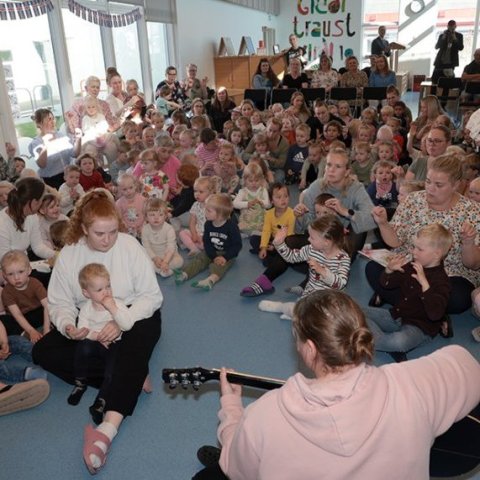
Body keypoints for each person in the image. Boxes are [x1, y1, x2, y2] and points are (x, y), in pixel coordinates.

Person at [194, 289, 480, 480]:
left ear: (308, 349)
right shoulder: (410, 384)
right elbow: (466, 365)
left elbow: (234, 466)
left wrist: (231, 408)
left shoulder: (265, 416)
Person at [32, 190, 163, 475]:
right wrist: (69, 326)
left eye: (113, 232)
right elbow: (60, 302)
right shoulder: (69, 253)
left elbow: (151, 297)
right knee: (42, 351)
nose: (108, 239)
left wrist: (120, 320)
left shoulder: (129, 246)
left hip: (130, 314)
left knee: (135, 339)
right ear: (83, 229)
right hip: (90, 320)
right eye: (100, 233)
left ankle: (106, 430)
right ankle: (131, 372)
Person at [368, 154, 480, 314]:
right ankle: (428, 307)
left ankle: (401, 300)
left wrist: (468, 243)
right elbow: (395, 242)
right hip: (410, 264)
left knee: (459, 298)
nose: (430, 188)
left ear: (456, 185)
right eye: (428, 181)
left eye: (439, 185)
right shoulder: (412, 200)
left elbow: (473, 265)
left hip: (449, 274)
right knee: (372, 268)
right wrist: (383, 224)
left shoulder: (473, 212)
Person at [364, 224, 453, 362]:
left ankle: (380, 341)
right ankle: (385, 343)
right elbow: (386, 285)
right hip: (398, 315)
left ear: (437, 254)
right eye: (413, 247)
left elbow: (435, 314)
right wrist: (389, 270)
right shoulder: (412, 265)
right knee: (356, 311)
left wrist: (425, 285)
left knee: (399, 342)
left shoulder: (442, 281)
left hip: (420, 327)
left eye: (419, 249)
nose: (414, 252)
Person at [258, 215, 350, 320]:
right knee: (312, 317)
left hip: (332, 301)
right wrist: (279, 243)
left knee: (331, 321)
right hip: (311, 296)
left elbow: (341, 283)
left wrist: (323, 271)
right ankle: (281, 307)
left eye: (312, 237)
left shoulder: (343, 259)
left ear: (326, 242)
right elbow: (292, 257)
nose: (308, 239)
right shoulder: (311, 249)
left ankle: (297, 314)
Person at [67, 263, 128, 408]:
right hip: (96, 342)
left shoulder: (117, 304)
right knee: (82, 347)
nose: (106, 292)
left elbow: (127, 324)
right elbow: (83, 330)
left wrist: (113, 309)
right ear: (87, 293)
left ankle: (102, 399)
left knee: (112, 368)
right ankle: (80, 383)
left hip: (114, 343)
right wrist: (98, 337)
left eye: (108, 286)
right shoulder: (86, 309)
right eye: (100, 289)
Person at [295, 148, 376, 255]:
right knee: (289, 242)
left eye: (338, 166)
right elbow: (306, 226)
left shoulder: (356, 188)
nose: (331, 170)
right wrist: (300, 215)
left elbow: (372, 219)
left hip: (343, 239)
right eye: (329, 165)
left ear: (347, 172)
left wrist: (345, 212)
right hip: (320, 237)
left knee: (359, 228)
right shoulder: (316, 187)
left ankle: (328, 260)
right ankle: (326, 260)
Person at [174, 193, 242, 291]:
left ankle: (210, 280)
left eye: (208, 211)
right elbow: (207, 242)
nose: (205, 212)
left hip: (227, 253)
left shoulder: (231, 226)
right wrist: (213, 256)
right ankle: (184, 274)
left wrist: (225, 257)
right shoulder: (208, 224)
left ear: (220, 215)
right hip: (212, 251)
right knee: (199, 259)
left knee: (218, 265)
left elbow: (237, 245)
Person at [0, 177, 55, 262]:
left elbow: (38, 247)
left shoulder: (32, 216)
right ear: (33, 202)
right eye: (41, 199)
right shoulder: (2, 223)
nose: (41, 203)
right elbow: (5, 260)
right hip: (8, 268)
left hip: (22, 265)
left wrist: (57, 255)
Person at [0, 250, 50, 341]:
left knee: (51, 308)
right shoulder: (6, 292)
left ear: (29, 270)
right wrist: (31, 331)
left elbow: (47, 305)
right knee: (6, 320)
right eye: (10, 274)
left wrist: (47, 330)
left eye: (20, 272)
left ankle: (45, 328)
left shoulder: (35, 283)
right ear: (4, 276)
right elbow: (17, 314)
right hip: (20, 317)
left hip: (37, 312)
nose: (16, 278)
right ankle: (27, 334)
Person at [28, 108, 81, 190]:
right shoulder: (36, 143)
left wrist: (78, 139)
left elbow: (74, 154)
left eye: (53, 118)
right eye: (49, 119)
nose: (53, 121)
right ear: (39, 124)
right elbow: (42, 164)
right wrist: (45, 144)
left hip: (69, 176)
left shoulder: (60, 135)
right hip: (52, 180)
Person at [141, 197, 183, 277]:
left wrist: (166, 261)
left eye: (160, 215)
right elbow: (146, 247)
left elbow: (171, 247)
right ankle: (165, 270)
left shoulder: (169, 229)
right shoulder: (145, 230)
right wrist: (155, 258)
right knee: (143, 263)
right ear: (146, 217)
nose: (156, 218)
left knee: (179, 261)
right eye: (152, 215)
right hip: (154, 255)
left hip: (169, 256)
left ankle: (164, 269)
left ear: (165, 216)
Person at [432, 20, 464, 84]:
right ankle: (433, 93)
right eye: (449, 26)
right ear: (447, 26)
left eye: (453, 26)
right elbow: (436, 47)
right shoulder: (442, 35)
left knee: (448, 81)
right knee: (435, 79)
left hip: (451, 62)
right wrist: (443, 38)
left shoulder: (459, 36)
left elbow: (461, 48)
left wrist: (455, 39)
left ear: (455, 27)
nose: (451, 28)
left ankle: (445, 94)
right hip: (440, 61)